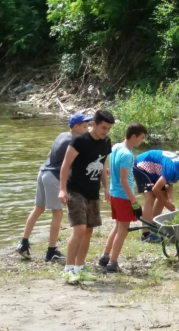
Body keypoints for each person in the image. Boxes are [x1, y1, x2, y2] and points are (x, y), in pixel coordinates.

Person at [15, 114, 92, 261]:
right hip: (53, 178)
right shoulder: (74, 141)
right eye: (84, 126)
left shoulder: (62, 135)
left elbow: (49, 154)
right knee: (58, 213)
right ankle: (51, 252)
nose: (87, 129)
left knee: (38, 208)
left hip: (43, 172)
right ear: (76, 127)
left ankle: (23, 243)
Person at [58, 110, 115, 284]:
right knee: (80, 228)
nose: (105, 131)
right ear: (94, 124)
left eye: (109, 128)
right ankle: (68, 269)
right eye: (103, 127)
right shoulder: (79, 140)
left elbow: (102, 165)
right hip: (75, 189)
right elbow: (66, 164)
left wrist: (106, 187)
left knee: (89, 230)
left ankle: (80, 268)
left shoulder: (106, 142)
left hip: (93, 191)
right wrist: (62, 190)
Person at [98, 123, 147, 273]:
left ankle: (105, 256)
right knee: (123, 230)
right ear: (133, 136)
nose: (142, 141)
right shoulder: (127, 154)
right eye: (141, 138)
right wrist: (134, 201)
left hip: (114, 193)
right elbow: (124, 180)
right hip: (123, 196)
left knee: (118, 227)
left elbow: (111, 169)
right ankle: (113, 262)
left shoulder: (116, 147)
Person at [133, 150, 179, 242]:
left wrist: (170, 200)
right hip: (142, 165)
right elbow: (155, 189)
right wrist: (166, 204)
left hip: (154, 168)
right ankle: (145, 235)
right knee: (150, 197)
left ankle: (153, 224)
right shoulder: (173, 168)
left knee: (164, 195)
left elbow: (168, 183)